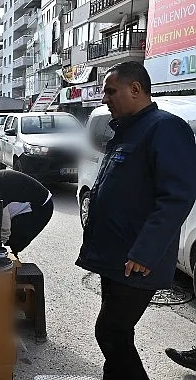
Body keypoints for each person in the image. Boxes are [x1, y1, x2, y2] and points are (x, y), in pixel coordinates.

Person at [75, 61, 196, 380]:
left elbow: (176, 197)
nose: (105, 98)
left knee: (111, 331)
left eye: (110, 91)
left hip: (137, 258)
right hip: (115, 256)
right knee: (117, 335)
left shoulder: (165, 128)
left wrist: (145, 251)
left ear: (136, 89)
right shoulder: (127, 131)